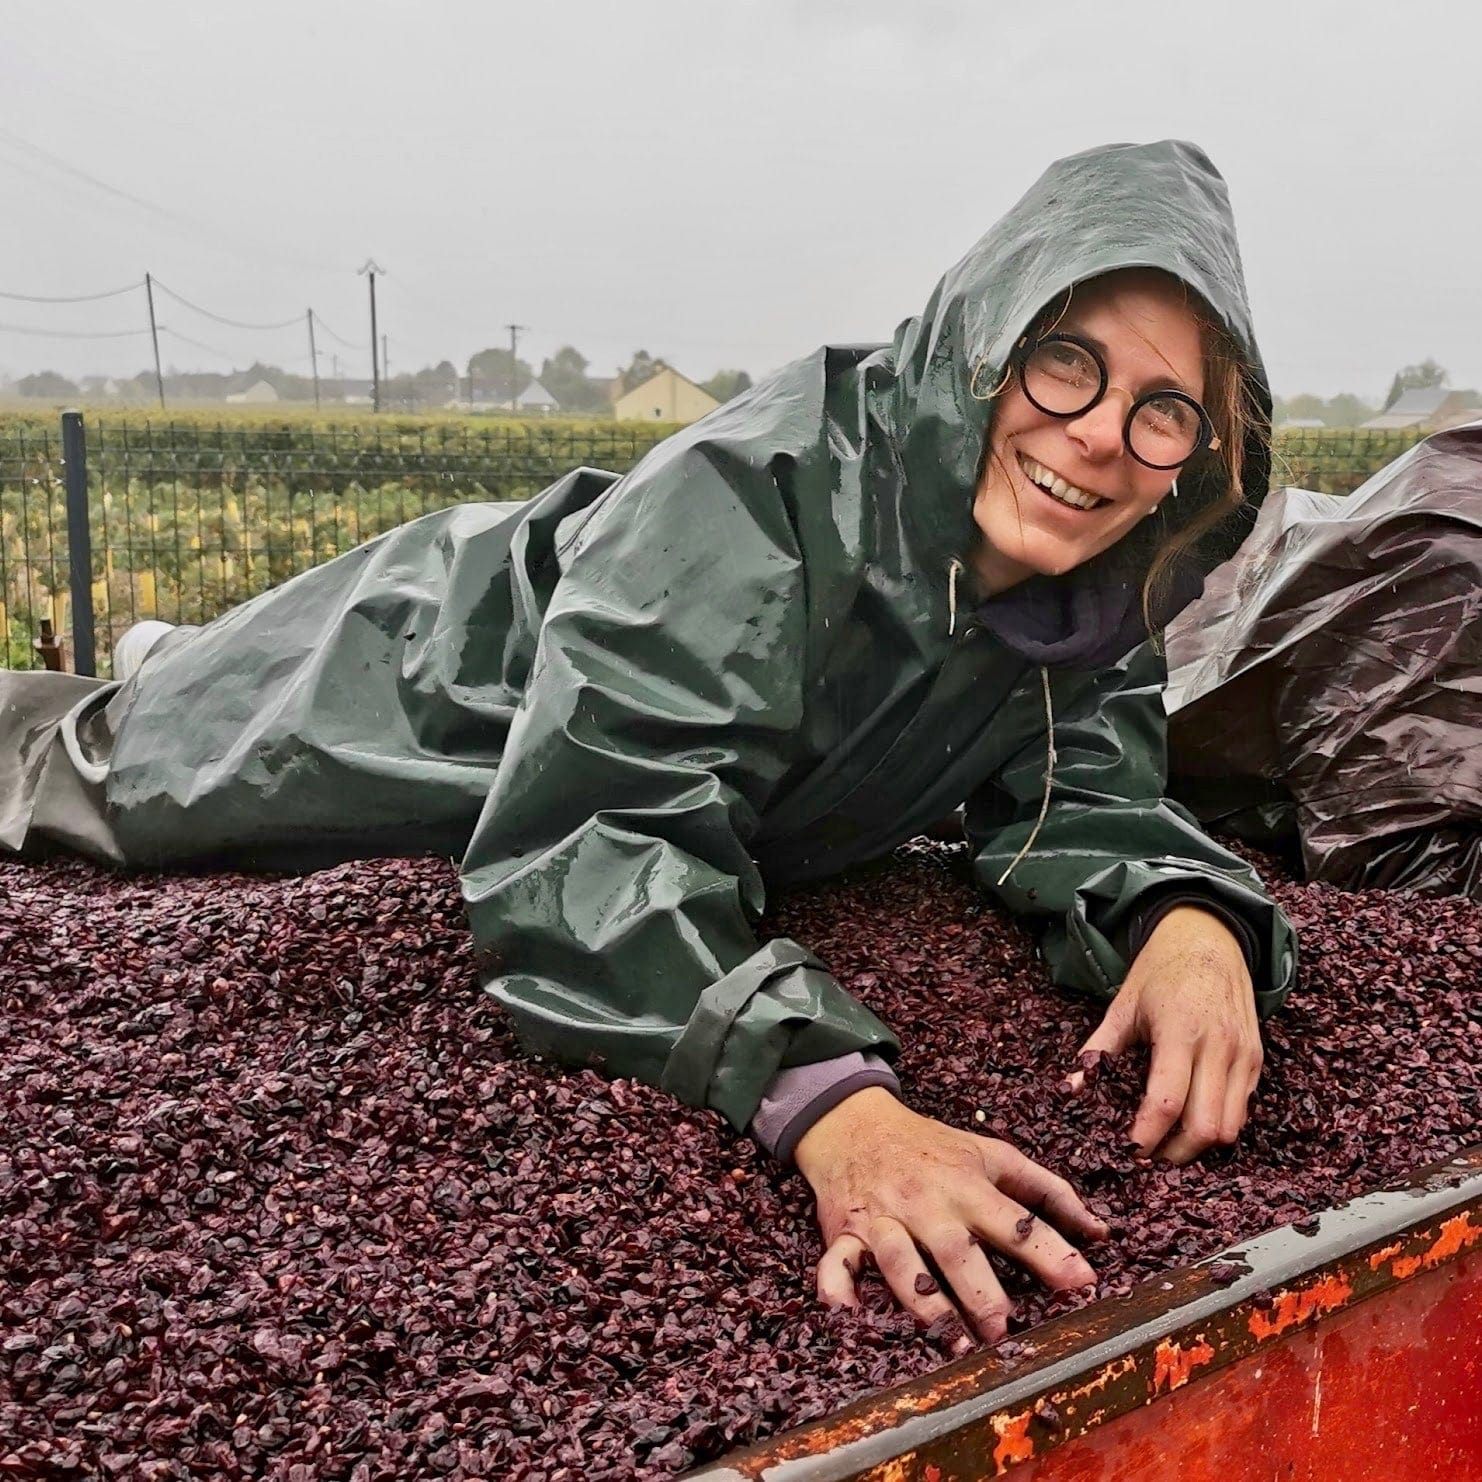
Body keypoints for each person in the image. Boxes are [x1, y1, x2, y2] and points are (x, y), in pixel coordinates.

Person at [0, 139, 1296, 1345]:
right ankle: (148, 664)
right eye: (1065, 361)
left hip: (634, 722)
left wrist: (1186, 917)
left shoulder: (1086, 587)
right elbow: (595, 838)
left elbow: (1080, 796)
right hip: (429, 682)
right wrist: (834, 1104)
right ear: (984, 343)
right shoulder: (755, 497)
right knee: (108, 771)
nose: (1096, 434)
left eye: (1161, 407)